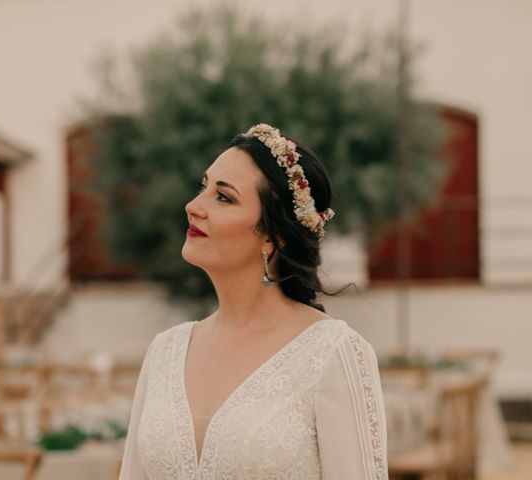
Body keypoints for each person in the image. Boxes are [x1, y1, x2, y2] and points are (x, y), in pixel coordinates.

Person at [119, 123, 388, 479]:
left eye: (224, 197)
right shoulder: (165, 352)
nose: (193, 207)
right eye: (203, 187)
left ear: (273, 236)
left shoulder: (333, 353)